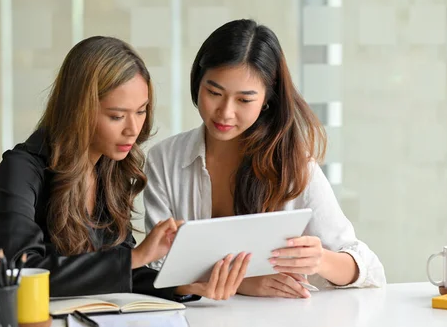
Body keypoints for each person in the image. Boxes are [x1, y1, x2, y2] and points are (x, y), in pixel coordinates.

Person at [0, 36, 249, 303]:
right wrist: (135, 256)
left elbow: (120, 275)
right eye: (117, 116)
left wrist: (182, 285)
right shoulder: (20, 170)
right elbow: (24, 271)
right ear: (79, 111)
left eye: (141, 111)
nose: (133, 130)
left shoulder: (110, 170)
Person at [144, 19, 386, 299]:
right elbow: (157, 271)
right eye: (214, 93)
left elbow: (371, 272)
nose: (225, 112)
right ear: (198, 82)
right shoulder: (165, 160)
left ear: (266, 100)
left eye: (244, 100)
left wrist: (320, 260)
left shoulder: (292, 166)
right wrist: (244, 282)